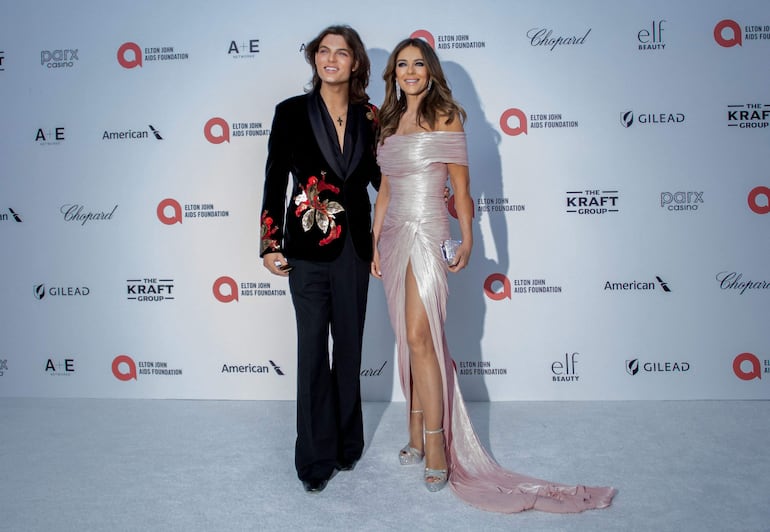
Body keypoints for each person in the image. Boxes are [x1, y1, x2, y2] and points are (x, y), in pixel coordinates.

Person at [371, 37, 617, 513]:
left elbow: (462, 189)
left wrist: (469, 239)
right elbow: (383, 190)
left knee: (424, 335)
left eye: (418, 63)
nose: (409, 71)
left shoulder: (447, 117)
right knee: (406, 335)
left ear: (431, 69)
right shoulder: (387, 121)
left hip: (428, 232)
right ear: (394, 74)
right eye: (402, 65)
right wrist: (373, 241)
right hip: (393, 235)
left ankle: (438, 444)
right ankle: (416, 434)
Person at [260, 25, 380, 494]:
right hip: (306, 248)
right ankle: (314, 458)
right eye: (323, 52)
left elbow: (380, 178)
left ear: (355, 62)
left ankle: (347, 444)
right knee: (312, 350)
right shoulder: (289, 113)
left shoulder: (370, 114)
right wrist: (270, 242)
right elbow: (273, 181)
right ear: (315, 60)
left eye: (342, 52)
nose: (331, 59)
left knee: (349, 349)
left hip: (355, 247)